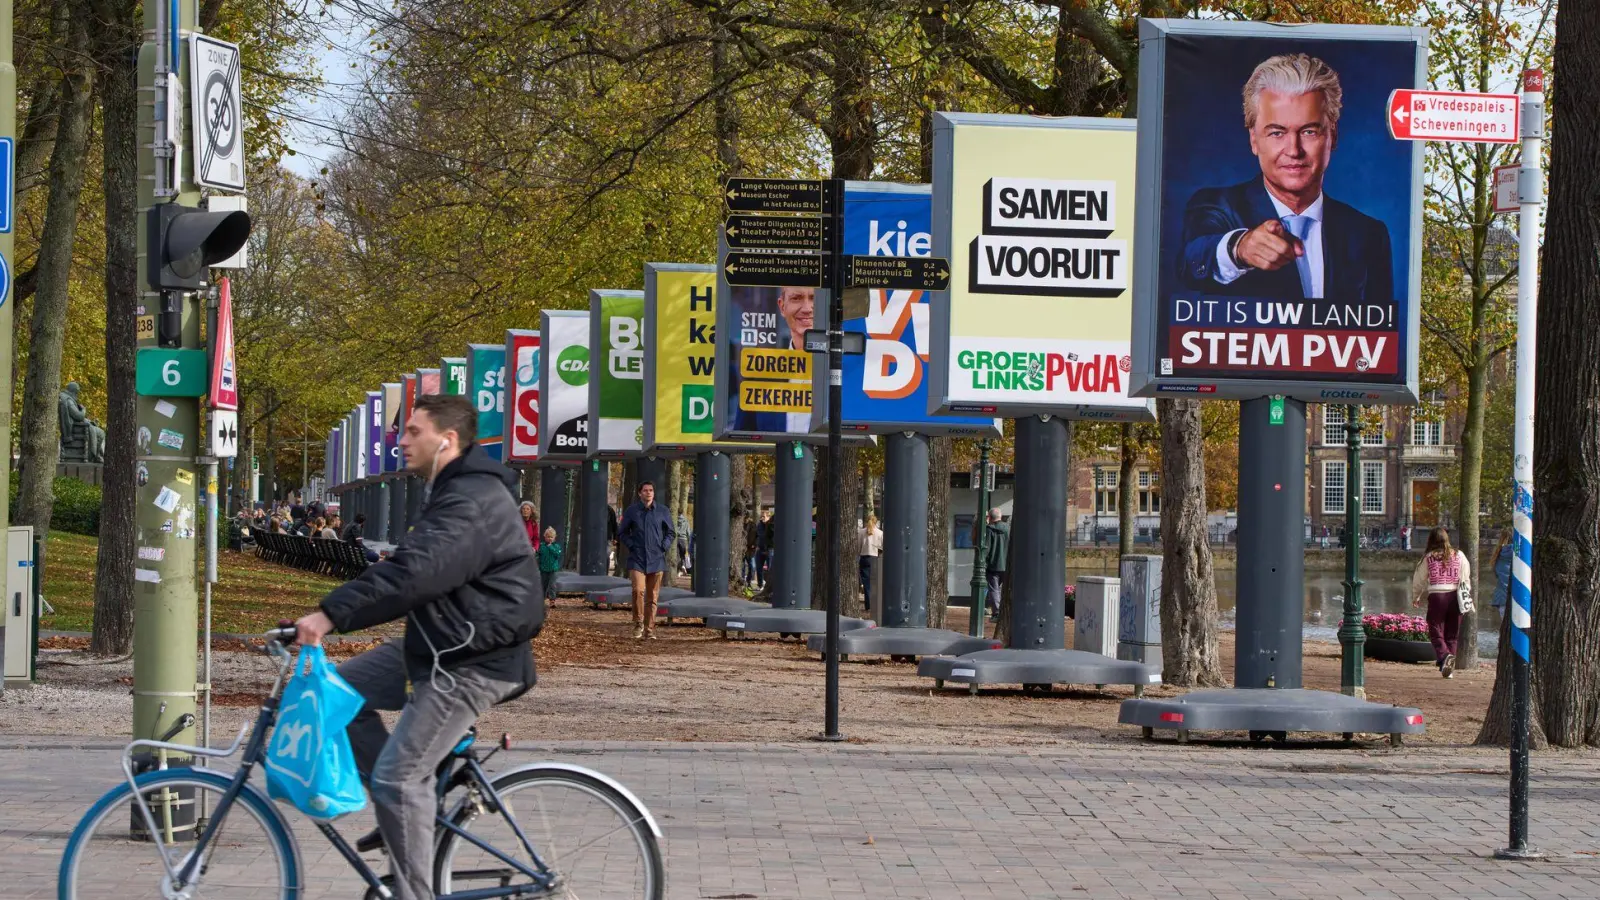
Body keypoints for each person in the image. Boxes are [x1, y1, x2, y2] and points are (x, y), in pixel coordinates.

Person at [292, 393, 543, 900]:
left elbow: (414, 574)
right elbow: (409, 568)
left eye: (412, 432)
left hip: (473, 659)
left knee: (398, 780)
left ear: (445, 440)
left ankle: (409, 843)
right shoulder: (452, 490)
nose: (401, 440)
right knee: (336, 692)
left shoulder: (470, 500)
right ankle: (405, 816)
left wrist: (330, 614)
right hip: (439, 644)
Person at [1179, 53, 1393, 304]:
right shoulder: (1216, 207)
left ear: (1332, 136)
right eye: (1277, 133)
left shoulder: (1368, 234)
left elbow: (1381, 334)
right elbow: (1191, 259)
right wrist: (1240, 248)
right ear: (1254, 140)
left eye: (1309, 131)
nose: (1294, 150)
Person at [1410, 526, 1471, 678]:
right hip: (1455, 596)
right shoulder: (1459, 555)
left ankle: (1444, 656)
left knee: (1435, 629)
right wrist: (1466, 595)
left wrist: (1416, 596)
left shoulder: (1428, 557)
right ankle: (1448, 669)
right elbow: (1465, 576)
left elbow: (1419, 579)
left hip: (1437, 596)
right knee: (1452, 634)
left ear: (1430, 540)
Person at [616, 481, 674, 640]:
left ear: (654, 493)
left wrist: (664, 546)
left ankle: (650, 629)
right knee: (638, 590)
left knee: (652, 597)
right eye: (645, 490)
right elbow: (622, 533)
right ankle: (638, 622)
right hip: (637, 558)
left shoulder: (662, 511)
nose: (648, 493)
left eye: (651, 490)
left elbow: (671, 532)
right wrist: (632, 545)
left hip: (656, 558)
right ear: (640, 493)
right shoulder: (632, 511)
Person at [982, 508, 1010, 617]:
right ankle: (1003, 611)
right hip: (1007, 565)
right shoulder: (1008, 528)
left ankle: (997, 612)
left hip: (993, 565)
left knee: (994, 589)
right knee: (1003, 589)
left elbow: (987, 548)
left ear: (989, 517)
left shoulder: (989, 529)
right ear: (1001, 516)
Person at [857, 515, 882, 612]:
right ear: (876, 522)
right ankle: (877, 605)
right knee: (876, 583)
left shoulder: (862, 532)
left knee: (867, 584)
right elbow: (882, 547)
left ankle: (868, 606)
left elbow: (858, 547)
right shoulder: (880, 533)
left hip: (864, 558)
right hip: (875, 558)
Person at [537, 526, 563, 607]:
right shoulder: (542, 546)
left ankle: (552, 600)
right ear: (545, 537)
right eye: (548, 537)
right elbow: (538, 555)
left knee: (552, 585)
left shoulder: (556, 546)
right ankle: (541, 600)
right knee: (543, 585)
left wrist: (550, 547)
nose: (549, 538)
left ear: (554, 537)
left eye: (551, 537)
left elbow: (557, 554)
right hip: (543, 569)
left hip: (553, 570)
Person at [1491, 526, 1515, 612]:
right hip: (1519, 598)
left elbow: (1497, 575)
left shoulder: (1497, 555)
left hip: (1502, 599)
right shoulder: (1520, 554)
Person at [755, 508, 774, 588]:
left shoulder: (771, 525)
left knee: (770, 568)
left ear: (768, 517)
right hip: (760, 548)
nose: (762, 518)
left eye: (764, 516)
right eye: (761, 516)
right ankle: (760, 585)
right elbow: (757, 535)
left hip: (769, 549)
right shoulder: (759, 525)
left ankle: (769, 586)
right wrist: (756, 545)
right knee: (758, 568)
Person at [676, 511, 693, 575]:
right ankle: (683, 566)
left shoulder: (675, 520)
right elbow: (688, 532)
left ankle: (678, 570)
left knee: (677, 555)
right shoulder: (686, 521)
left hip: (677, 539)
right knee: (683, 555)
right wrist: (689, 541)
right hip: (684, 539)